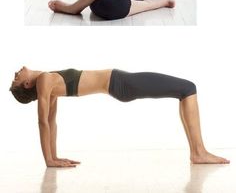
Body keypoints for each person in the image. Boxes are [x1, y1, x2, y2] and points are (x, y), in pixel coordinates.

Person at [10, 66, 229, 168]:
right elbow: (42, 122)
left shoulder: (49, 86)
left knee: (184, 90)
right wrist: (49, 160)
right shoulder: (45, 81)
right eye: (16, 78)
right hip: (121, 83)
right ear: (27, 84)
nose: (17, 72)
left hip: (120, 83)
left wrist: (54, 157)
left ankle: (197, 151)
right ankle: (198, 152)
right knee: (187, 88)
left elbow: (51, 123)